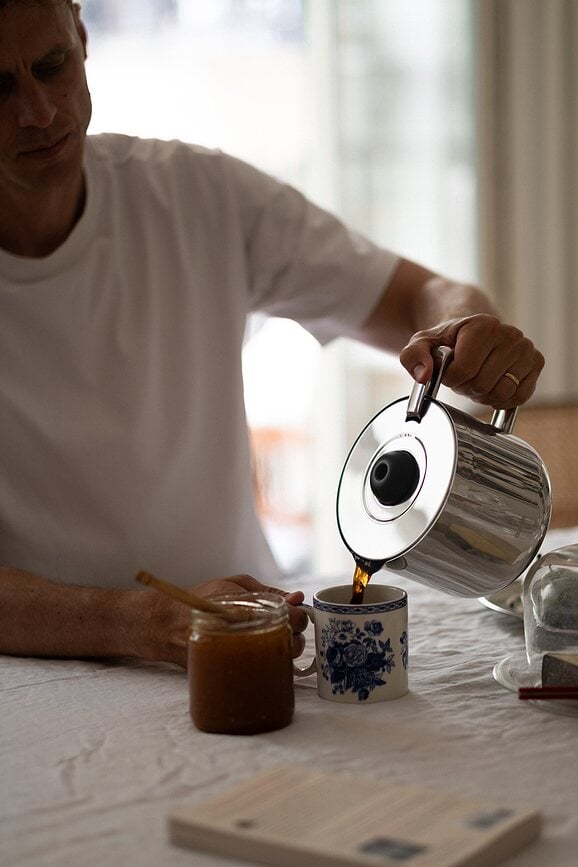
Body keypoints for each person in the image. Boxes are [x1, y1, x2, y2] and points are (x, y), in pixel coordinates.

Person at [0, 0, 544, 669]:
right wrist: (143, 621)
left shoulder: (195, 197)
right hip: (34, 692)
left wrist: (464, 327)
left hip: (251, 644)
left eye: (52, 66)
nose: (38, 111)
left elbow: (417, 298)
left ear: (81, 36)